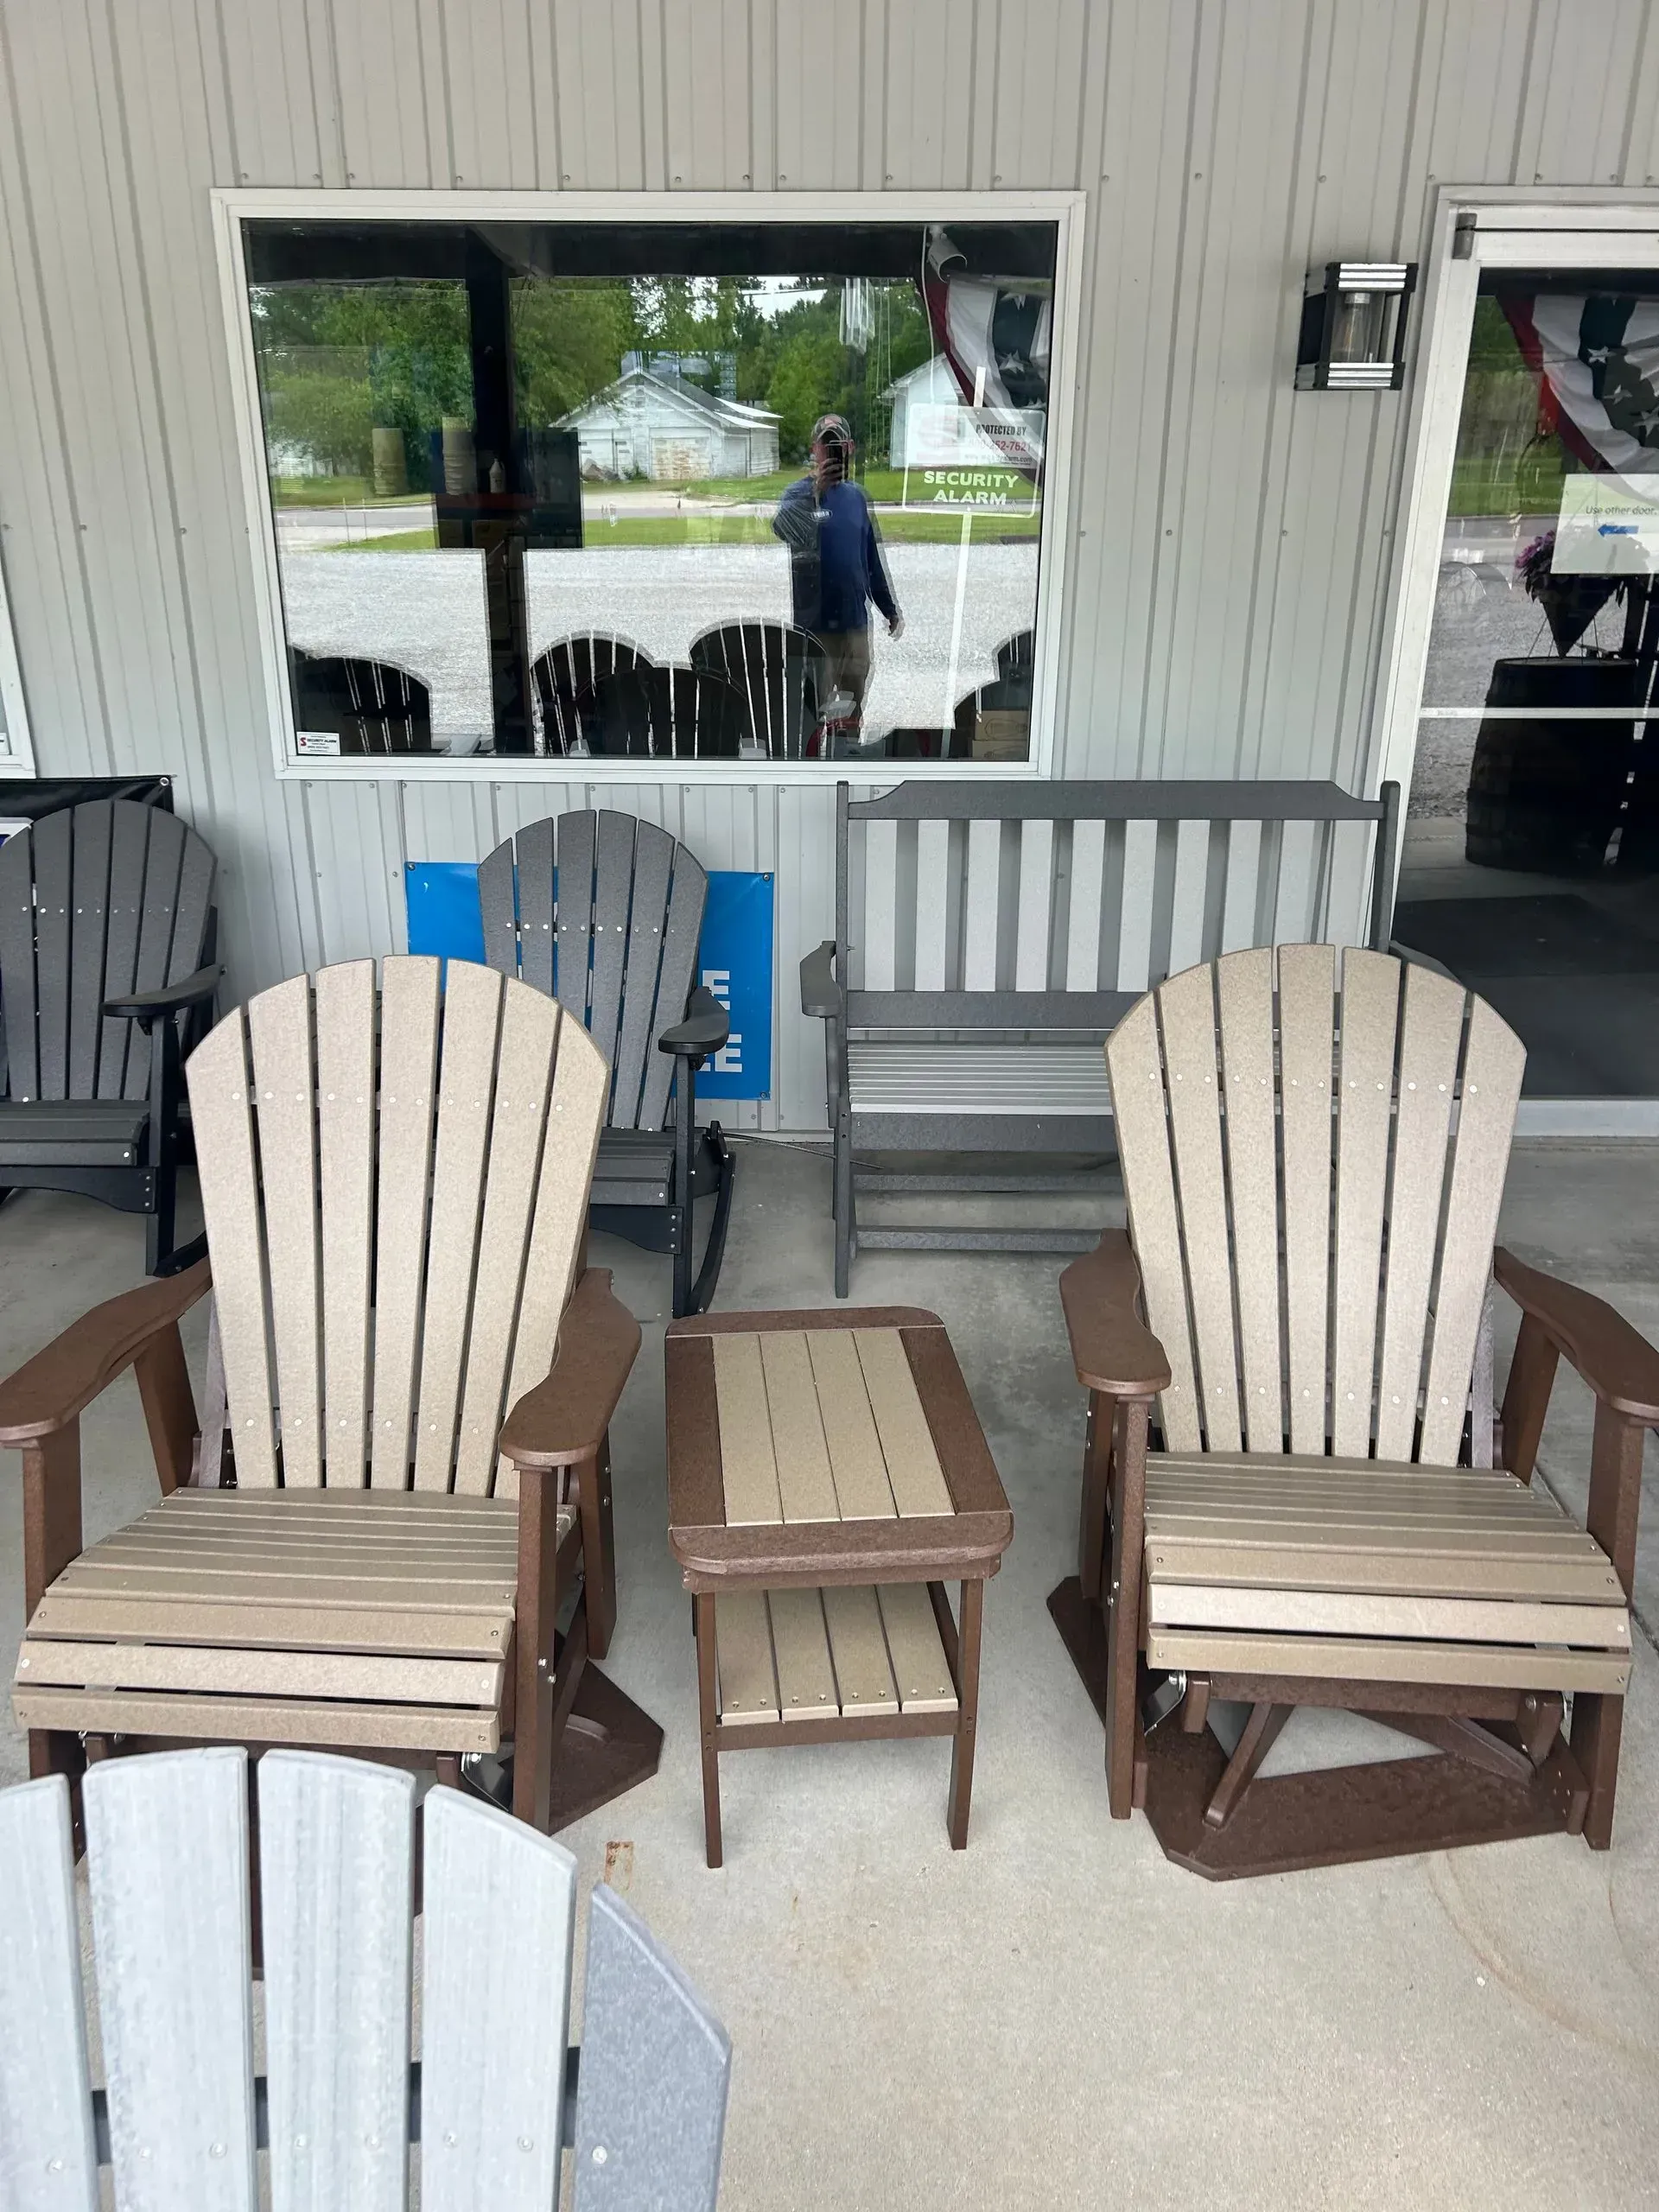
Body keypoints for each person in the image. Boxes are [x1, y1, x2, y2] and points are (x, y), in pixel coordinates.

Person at [772, 414, 903, 750]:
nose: (831, 451)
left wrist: (888, 607)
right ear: (814, 448)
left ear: (850, 449)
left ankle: (846, 757)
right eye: (825, 443)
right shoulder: (796, 495)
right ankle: (811, 765)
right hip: (815, 627)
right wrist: (815, 492)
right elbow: (782, 528)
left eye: (838, 444)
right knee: (813, 711)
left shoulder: (858, 498)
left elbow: (870, 558)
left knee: (851, 707)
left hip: (855, 625)